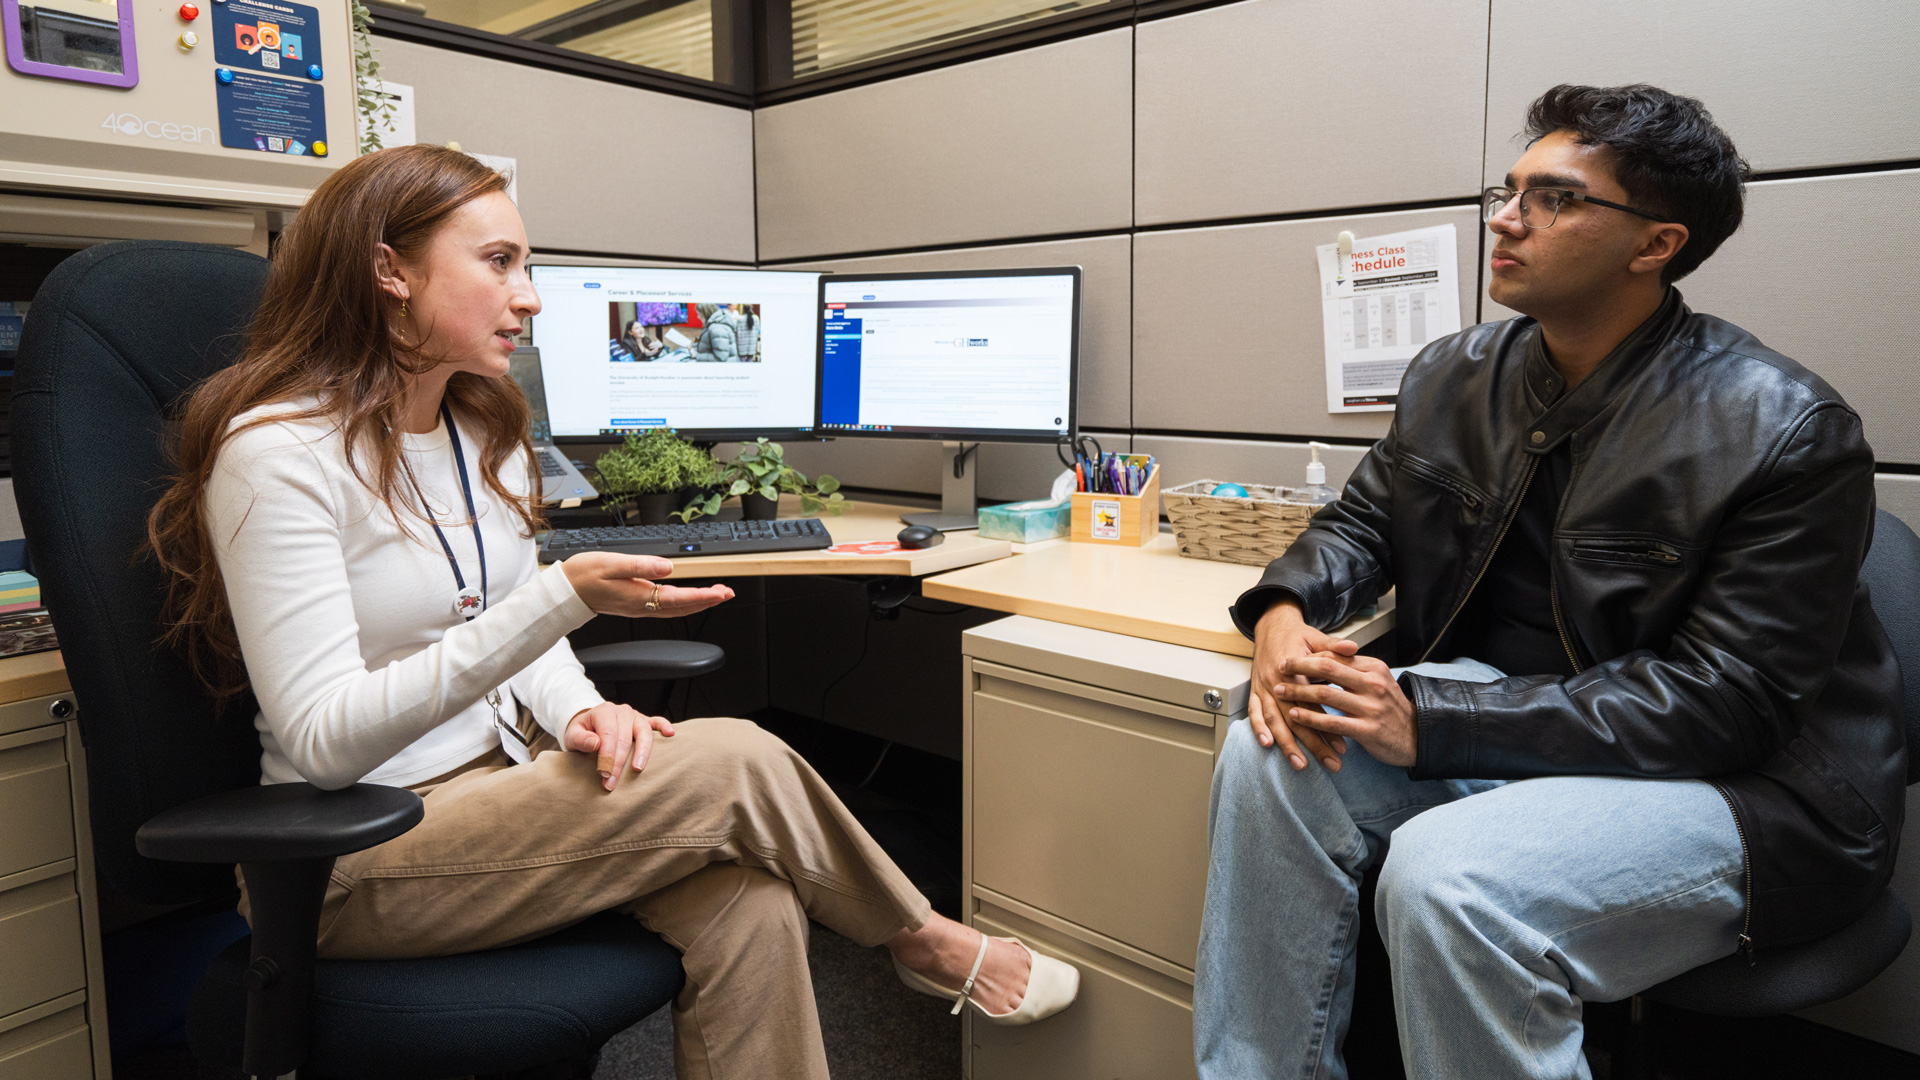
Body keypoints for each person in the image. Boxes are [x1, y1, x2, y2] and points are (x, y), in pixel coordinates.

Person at [146, 144, 1077, 1080]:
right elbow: (324, 743)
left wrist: (581, 713)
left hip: (509, 784)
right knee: (735, 755)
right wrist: (562, 597)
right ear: (391, 271)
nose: (530, 297)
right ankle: (924, 939)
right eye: (499, 262)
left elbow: (515, 633)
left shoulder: (480, 431)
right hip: (353, 855)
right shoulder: (279, 454)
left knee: (753, 902)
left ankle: (912, 945)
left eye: (527, 266)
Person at [1194, 84, 1903, 1080]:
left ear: (1655, 244)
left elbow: (1729, 703)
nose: (1505, 218)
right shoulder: (1453, 374)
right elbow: (1362, 524)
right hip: (1519, 722)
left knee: (1450, 881)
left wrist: (1433, 719)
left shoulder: (1785, 427)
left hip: (1747, 787)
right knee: (1272, 752)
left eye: (1555, 198)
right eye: (1509, 189)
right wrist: (1281, 612)